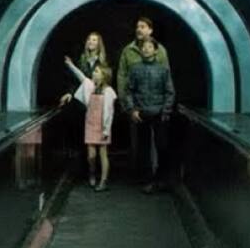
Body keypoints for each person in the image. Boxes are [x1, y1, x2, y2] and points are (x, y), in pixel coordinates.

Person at [122, 38, 176, 193]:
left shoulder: (163, 70)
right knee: (143, 148)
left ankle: (161, 179)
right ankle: (147, 179)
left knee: (162, 146)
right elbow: (128, 91)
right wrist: (132, 110)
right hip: (141, 113)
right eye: (143, 47)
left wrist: (165, 111)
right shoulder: (134, 69)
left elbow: (170, 92)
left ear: (155, 50)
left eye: (149, 46)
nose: (146, 49)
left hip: (160, 113)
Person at [60, 56, 116, 191]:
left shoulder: (108, 91)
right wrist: (70, 65)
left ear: (104, 75)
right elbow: (81, 76)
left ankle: (103, 180)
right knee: (91, 155)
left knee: (103, 154)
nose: (94, 74)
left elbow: (109, 113)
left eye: (97, 72)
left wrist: (106, 130)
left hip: (102, 126)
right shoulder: (90, 86)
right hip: (90, 124)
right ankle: (92, 174)